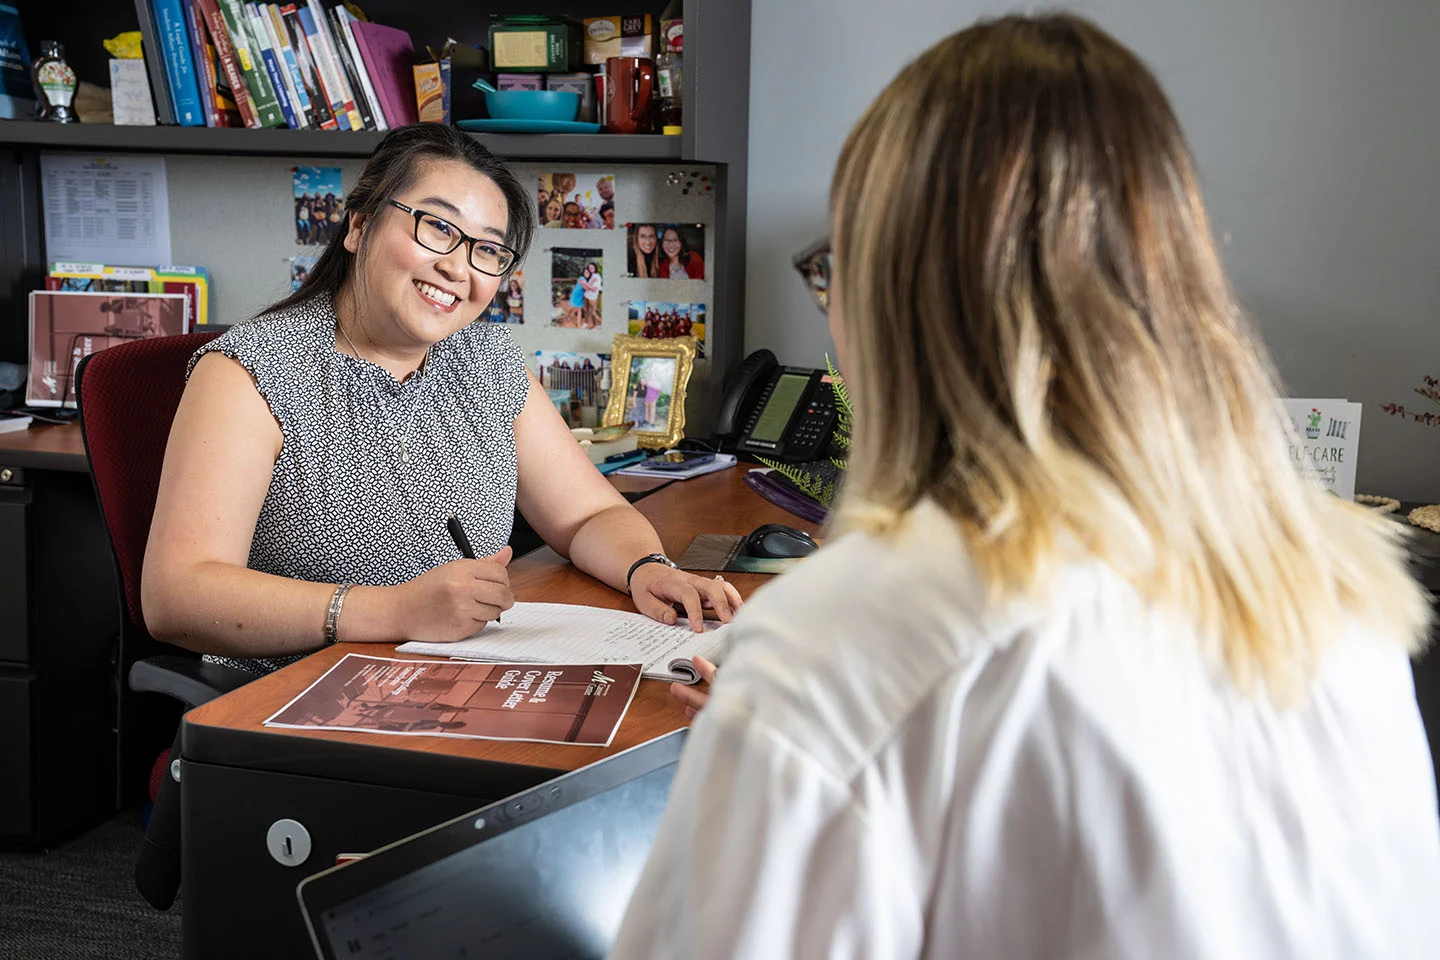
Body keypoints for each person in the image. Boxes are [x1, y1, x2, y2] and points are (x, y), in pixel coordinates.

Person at [614, 14, 1440, 958]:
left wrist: (795, 735)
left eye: (834, 270)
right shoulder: (1338, 594)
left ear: (897, 295)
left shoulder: (853, 639)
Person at [142, 124, 741, 678]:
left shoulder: (487, 357)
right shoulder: (249, 369)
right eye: (438, 228)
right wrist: (394, 611)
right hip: (300, 703)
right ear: (359, 225)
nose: (459, 268)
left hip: (462, 678)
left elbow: (589, 515)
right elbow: (176, 595)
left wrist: (648, 569)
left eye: (488, 250)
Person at [581, 261, 602, 327]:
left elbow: (594, 289)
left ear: (595, 268)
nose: (590, 268)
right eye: (589, 267)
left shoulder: (597, 277)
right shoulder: (591, 276)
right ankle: (586, 323)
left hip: (592, 298)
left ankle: (597, 324)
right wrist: (588, 285)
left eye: (592, 267)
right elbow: (587, 288)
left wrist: (586, 285)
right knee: (586, 310)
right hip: (586, 296)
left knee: (593, 313)